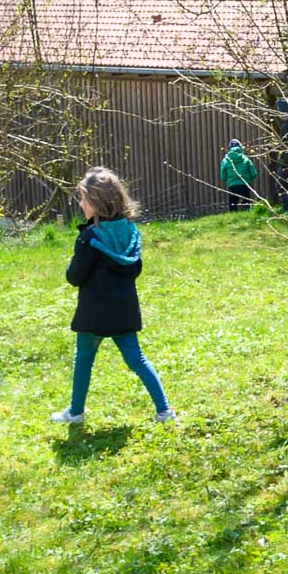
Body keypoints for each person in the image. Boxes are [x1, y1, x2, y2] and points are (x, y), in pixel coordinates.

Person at [50, 167, 175, 425]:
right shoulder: (131, 233)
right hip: (123, 310)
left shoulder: (89, 237)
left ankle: (76, 412)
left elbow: (74, 277)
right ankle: (164, 411)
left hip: (93, 312)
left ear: (96, 202)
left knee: (84, 359)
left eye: (83, 199)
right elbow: (135, 269)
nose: (81, 204)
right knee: (137, 359)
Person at [220, 138, 259, 211]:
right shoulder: (246, 159)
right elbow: (254, 173)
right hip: (245, 184)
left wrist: (228, 180)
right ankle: (247, 215)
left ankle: (233, 218)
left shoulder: (226, 160)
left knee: (233, 204)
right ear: (240, 147)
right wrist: (249, 179)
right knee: (246, 204)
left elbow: (222, 175)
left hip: (232, 185)